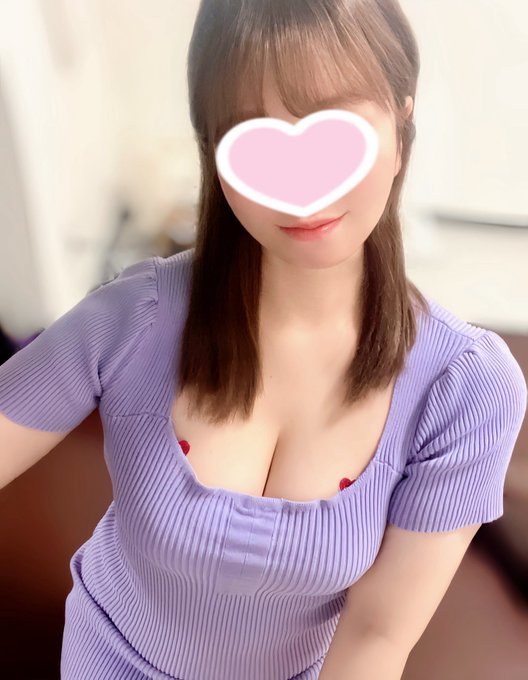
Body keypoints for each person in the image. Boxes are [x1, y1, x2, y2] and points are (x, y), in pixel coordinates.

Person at [0, 1, 526, 678]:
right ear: (213, 152)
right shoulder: (133, 318)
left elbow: (376, 638)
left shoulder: (468, 389)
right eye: (255, 137)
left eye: (332, 131)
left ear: (402, 122)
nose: (301, 193)